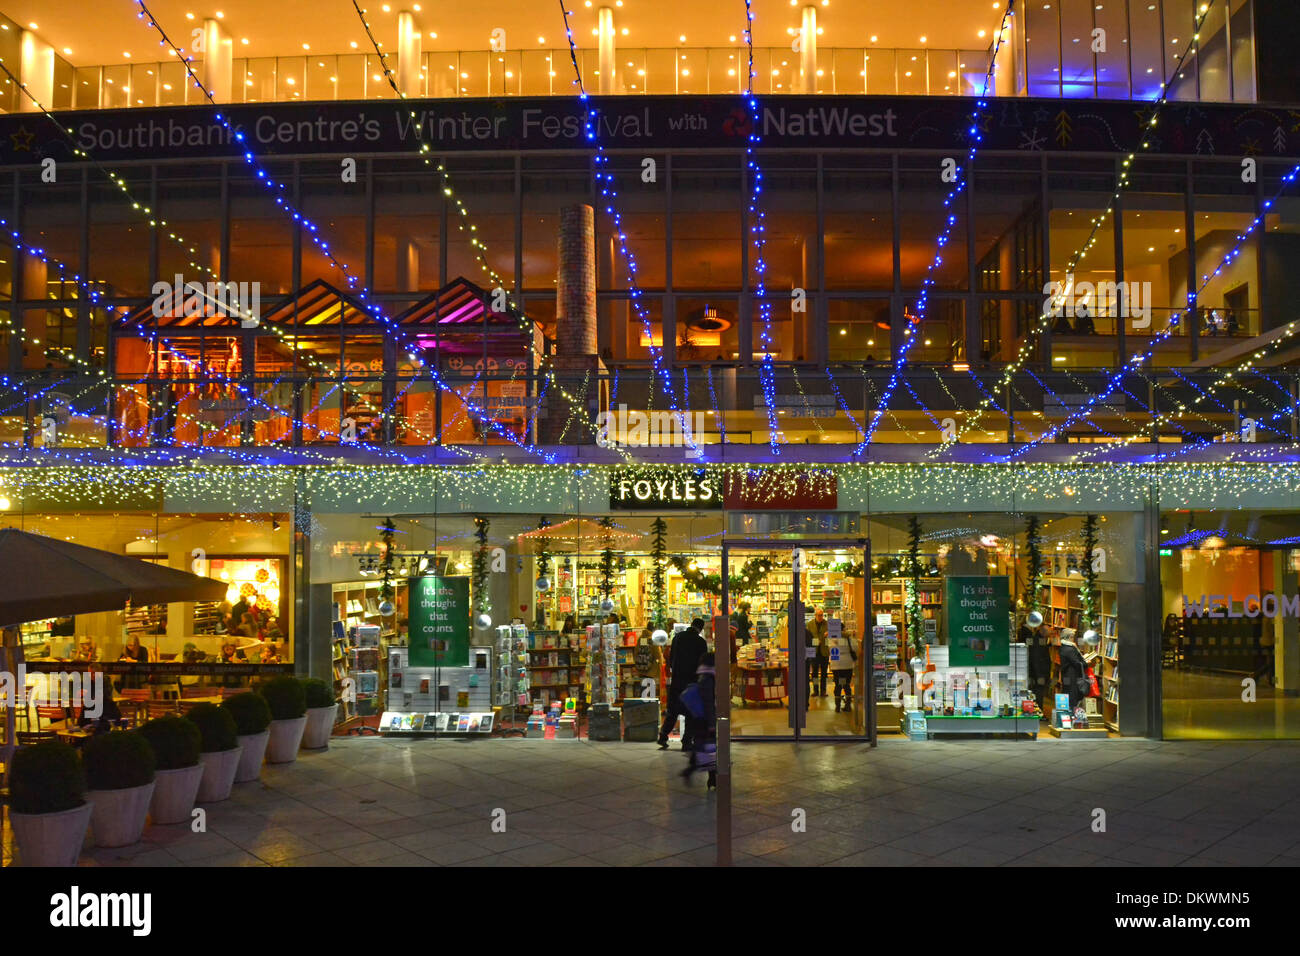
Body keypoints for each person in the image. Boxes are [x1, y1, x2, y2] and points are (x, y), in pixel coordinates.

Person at [657, 618, 707, 751]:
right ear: (701, 629)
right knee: (691, 712)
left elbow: (671, 657)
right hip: (692, 681)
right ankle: (686, 741)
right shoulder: (700, 642)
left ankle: (663, 736)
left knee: (673, 711)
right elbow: (702, 663)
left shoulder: (678, 637)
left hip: (677, 679)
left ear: (691, 625)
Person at [678, 652, 717, 789]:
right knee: (709, 747)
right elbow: (709, 703)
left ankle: (709, 777)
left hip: (699, 718)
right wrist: (712, 724)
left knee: (704, 746)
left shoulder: (703, 676)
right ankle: (709, 777)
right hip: (705, 719)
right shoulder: (708, 679)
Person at [827, 627, 858, 714]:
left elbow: (829, 649)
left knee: (838, 685)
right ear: (844, 629)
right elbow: (855, 648)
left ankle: (837, 707)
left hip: (836, 665)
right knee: (846, 684)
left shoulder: (832, 638)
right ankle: (847, 705)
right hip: (847, 664)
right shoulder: (849, 638)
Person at [807, 607, 829, 699]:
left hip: (824, 652)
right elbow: (808, 637)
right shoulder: (810, 624)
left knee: (824, 673)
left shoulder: (827, 624)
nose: (820, 617)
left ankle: (823, 691)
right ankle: (815, 690)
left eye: (822, 615)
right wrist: (815, 641)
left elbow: (833, 637)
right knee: (814, 673)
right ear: (815, 615)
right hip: (814, 652)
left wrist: (829, 633)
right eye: (819, 615)